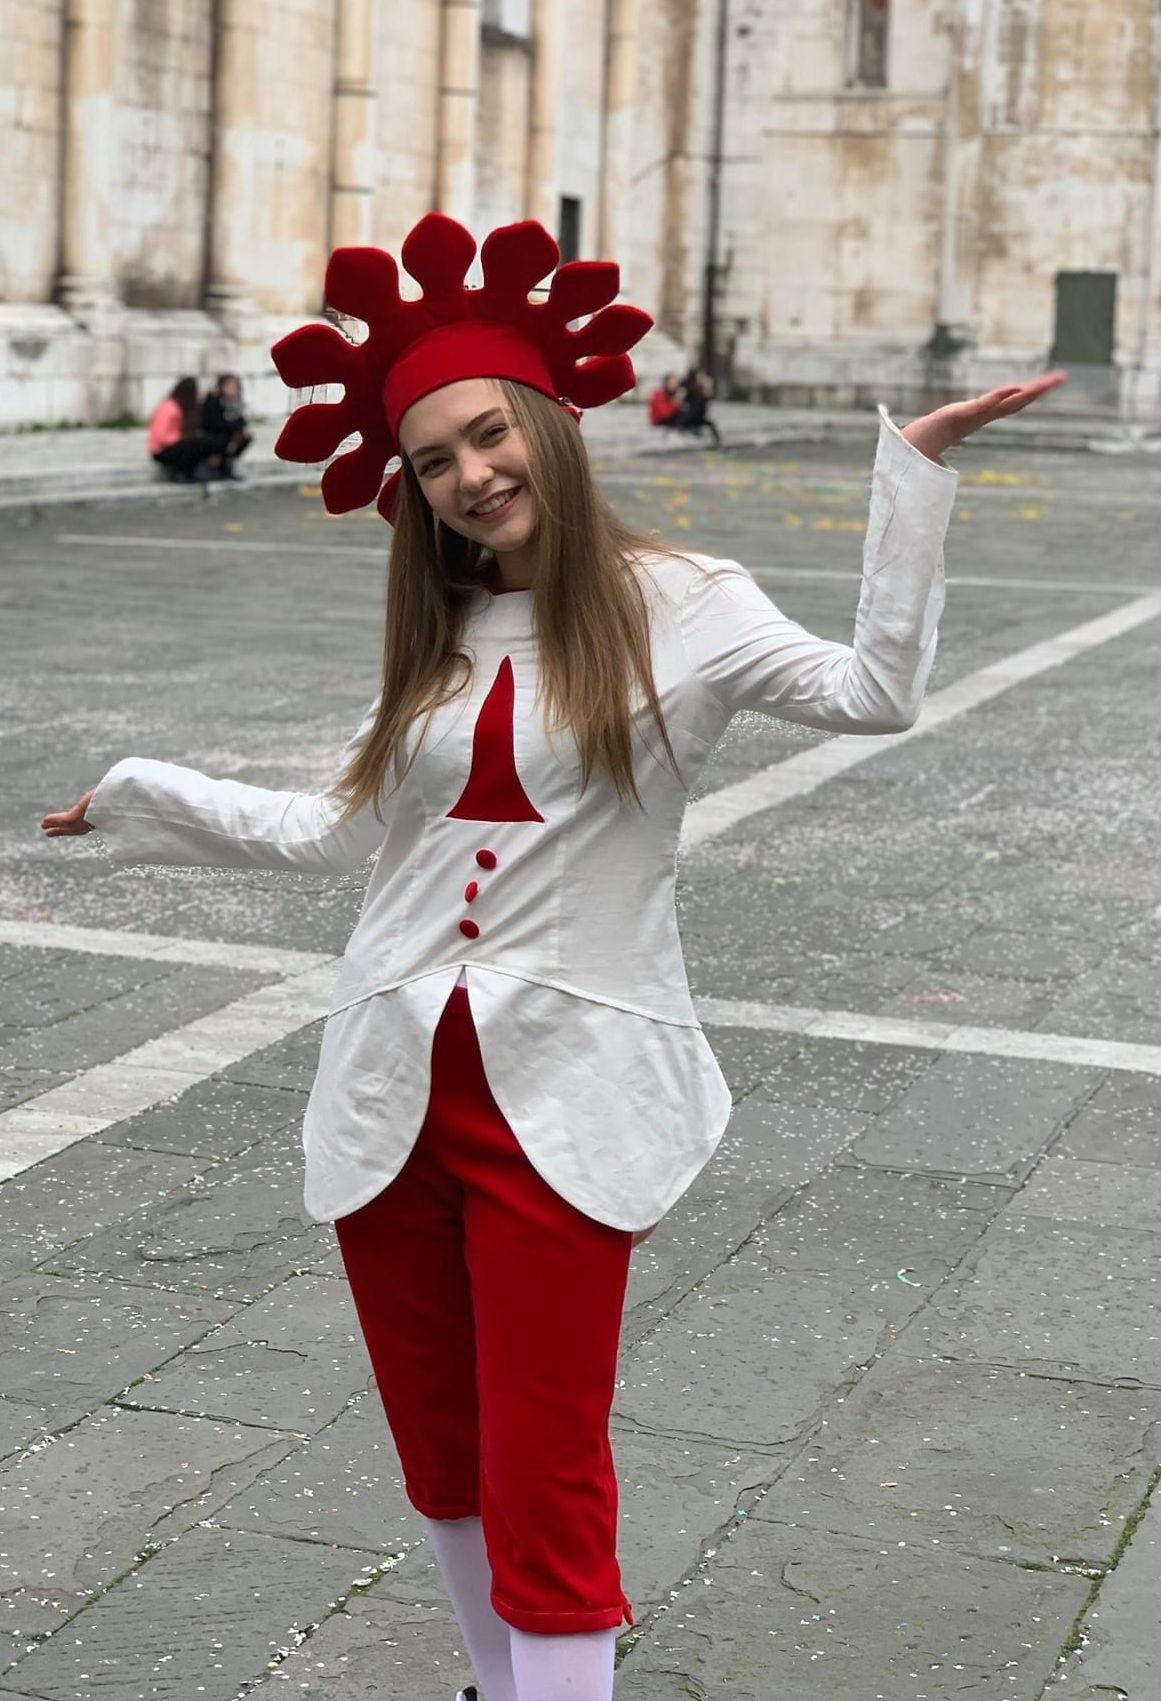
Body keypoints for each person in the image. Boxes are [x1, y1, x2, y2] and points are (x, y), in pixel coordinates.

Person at [41, 211, 1067, 1701]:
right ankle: (491, 1681)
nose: (471, 475)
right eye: (434, 462)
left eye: (487, 434)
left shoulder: (688, 605)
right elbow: (328, 835)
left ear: (548, 423)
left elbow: (874, 693)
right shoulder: (439, 637)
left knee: (546, 1450)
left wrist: (910, 476)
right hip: (390, 1091)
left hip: (569, 1094)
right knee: (442, 1445)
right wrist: (141, 794)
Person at [146, 376, 221, 482]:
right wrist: (182, 437)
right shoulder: (169, 406)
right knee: (194, 444)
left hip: (176, 445)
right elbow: (160, 435)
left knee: (206, 441)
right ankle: (182, 473)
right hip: (162, 450)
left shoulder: (184, 408)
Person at [201, 373, 252, 478]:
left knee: (244, 437)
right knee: (224, 439)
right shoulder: (213, 400)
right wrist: (234, 427)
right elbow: (214, 423)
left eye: (235, 386)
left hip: (226, 434)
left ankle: (226, 464)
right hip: (212, 435)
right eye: (230, 385)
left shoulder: (235, 402)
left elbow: (241, 421)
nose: (233, 389)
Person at [671, 365, 721, 446]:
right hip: (688, 414)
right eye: (700, 375)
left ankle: (717, 442)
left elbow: (707, 398)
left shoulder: (703, 386)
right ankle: (689, 430)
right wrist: (682, 404)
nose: (701, 377)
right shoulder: (686, 384)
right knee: (688, 415)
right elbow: (678, 399)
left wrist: (707, 386)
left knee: (710, 423)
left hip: (699, 414)